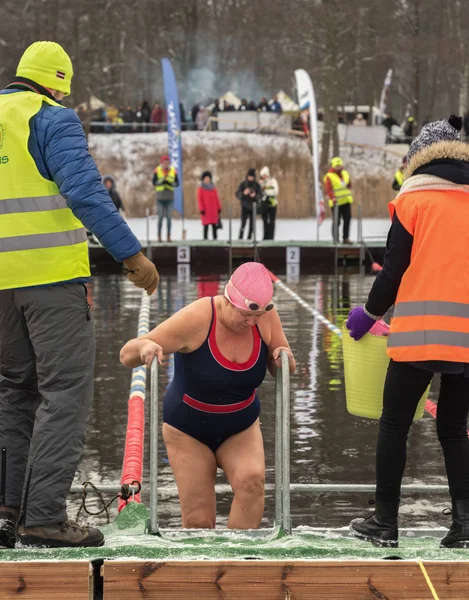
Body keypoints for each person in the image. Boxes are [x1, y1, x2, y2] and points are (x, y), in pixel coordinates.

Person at [0, 41, 159, 549]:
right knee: (63, 394)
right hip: (51, 284)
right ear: (58, 83)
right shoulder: (51, 119)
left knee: (13, 395)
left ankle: (8, 511)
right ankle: (43, 518)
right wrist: (131, 255)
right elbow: (86, 192)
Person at [346, 115, 469, 549]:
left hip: (418, 334)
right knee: (455, 430)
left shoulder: (414, 196)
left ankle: (385, 523)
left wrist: (367, 313)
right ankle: (465, 526)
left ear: (420, 155)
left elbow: (393, 269)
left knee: (394, 426)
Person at [120, 262, 296, 529]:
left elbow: (281, 363)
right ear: (228, 300)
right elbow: (126, 354)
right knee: (199, 518)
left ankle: (240, 564)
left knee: (253, 484)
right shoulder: (198, 318)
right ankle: (204, 570)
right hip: (188, 430)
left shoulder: (265, 317)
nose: (251, 322)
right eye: (245, 315)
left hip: (241, 427)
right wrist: (146, 346)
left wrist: (283, 357)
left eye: (258, 316)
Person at [323, 157, 353, 244]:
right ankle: (335, 239)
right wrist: (333, 198)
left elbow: (349, 184)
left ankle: (345, 238)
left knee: (347, 219)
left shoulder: (345, 173)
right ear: (333, 166)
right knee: (337, 221)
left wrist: (349, 185)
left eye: (340, 165)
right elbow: (329, 189)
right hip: (336, 202)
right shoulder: (329, 176)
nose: (339, 167)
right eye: (337, 166)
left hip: (346, 200)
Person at [152, 155, 179, 242]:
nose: (166, 164)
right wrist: (161, 182)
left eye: (167, 163)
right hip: (160, 198)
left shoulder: (173, 171)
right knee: (160, 218)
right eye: (164, 163)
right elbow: (154, 182)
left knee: (169, 218)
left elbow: (177, 183)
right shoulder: (157, 170)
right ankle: (159, 236)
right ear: (162, 163)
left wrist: (170, 183)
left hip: (170, 198)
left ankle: (168, 236)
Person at [236, 169, 262, 240]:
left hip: (253, 207)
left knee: (252, 225)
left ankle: (249, 238)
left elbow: (260, 195)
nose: (250, 178)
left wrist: (255, 195)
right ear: (247, 176)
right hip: (244, 206)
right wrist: (244, 193)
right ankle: (240, 238)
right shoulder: (243, 184)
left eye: (252, 177)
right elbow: (237, 194)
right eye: (249, 176)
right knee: (243, 224)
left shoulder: (257, 185)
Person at [198, 171, 222, 240]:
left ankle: (215, 240)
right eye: (205, 178)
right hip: (206, 210)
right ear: (203, 179)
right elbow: (200, 200)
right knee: (206, 226)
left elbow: (216, 198)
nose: (207, 179)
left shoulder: (213, 188)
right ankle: (205, 240)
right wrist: (201, 209)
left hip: (213, 210)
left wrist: (219, 207)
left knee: (214, 226)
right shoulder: (201, 188)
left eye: (208, 178)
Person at [259, 166, 278, 240]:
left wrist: (266, 191)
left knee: (272, 221)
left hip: (272, 204)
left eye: (265, 174)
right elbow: (259, 192)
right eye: (263, 175)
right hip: (264, 204)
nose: (264, 176)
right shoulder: (260, 182)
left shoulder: (272, 181)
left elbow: (275, 191)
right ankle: (265, 237)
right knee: (265, 221)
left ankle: (271, 237)